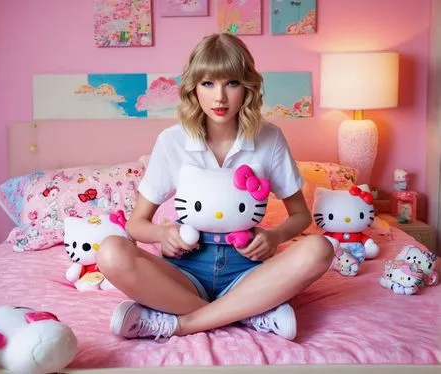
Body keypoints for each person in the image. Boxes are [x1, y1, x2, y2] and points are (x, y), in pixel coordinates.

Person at [97, 33, 333, 341]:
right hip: (184, 274)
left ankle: (183, 323)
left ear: (247, 86)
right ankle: (247, 313)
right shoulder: (173, 141)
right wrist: (163, 234)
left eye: (231, 83)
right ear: (194, 87)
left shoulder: (269, 138)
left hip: (249, 272)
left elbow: (301, 216)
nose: (219, 97)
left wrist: (274, 236)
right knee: (111, 252)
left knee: (320, 249)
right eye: (208, 83)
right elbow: (136, 224)